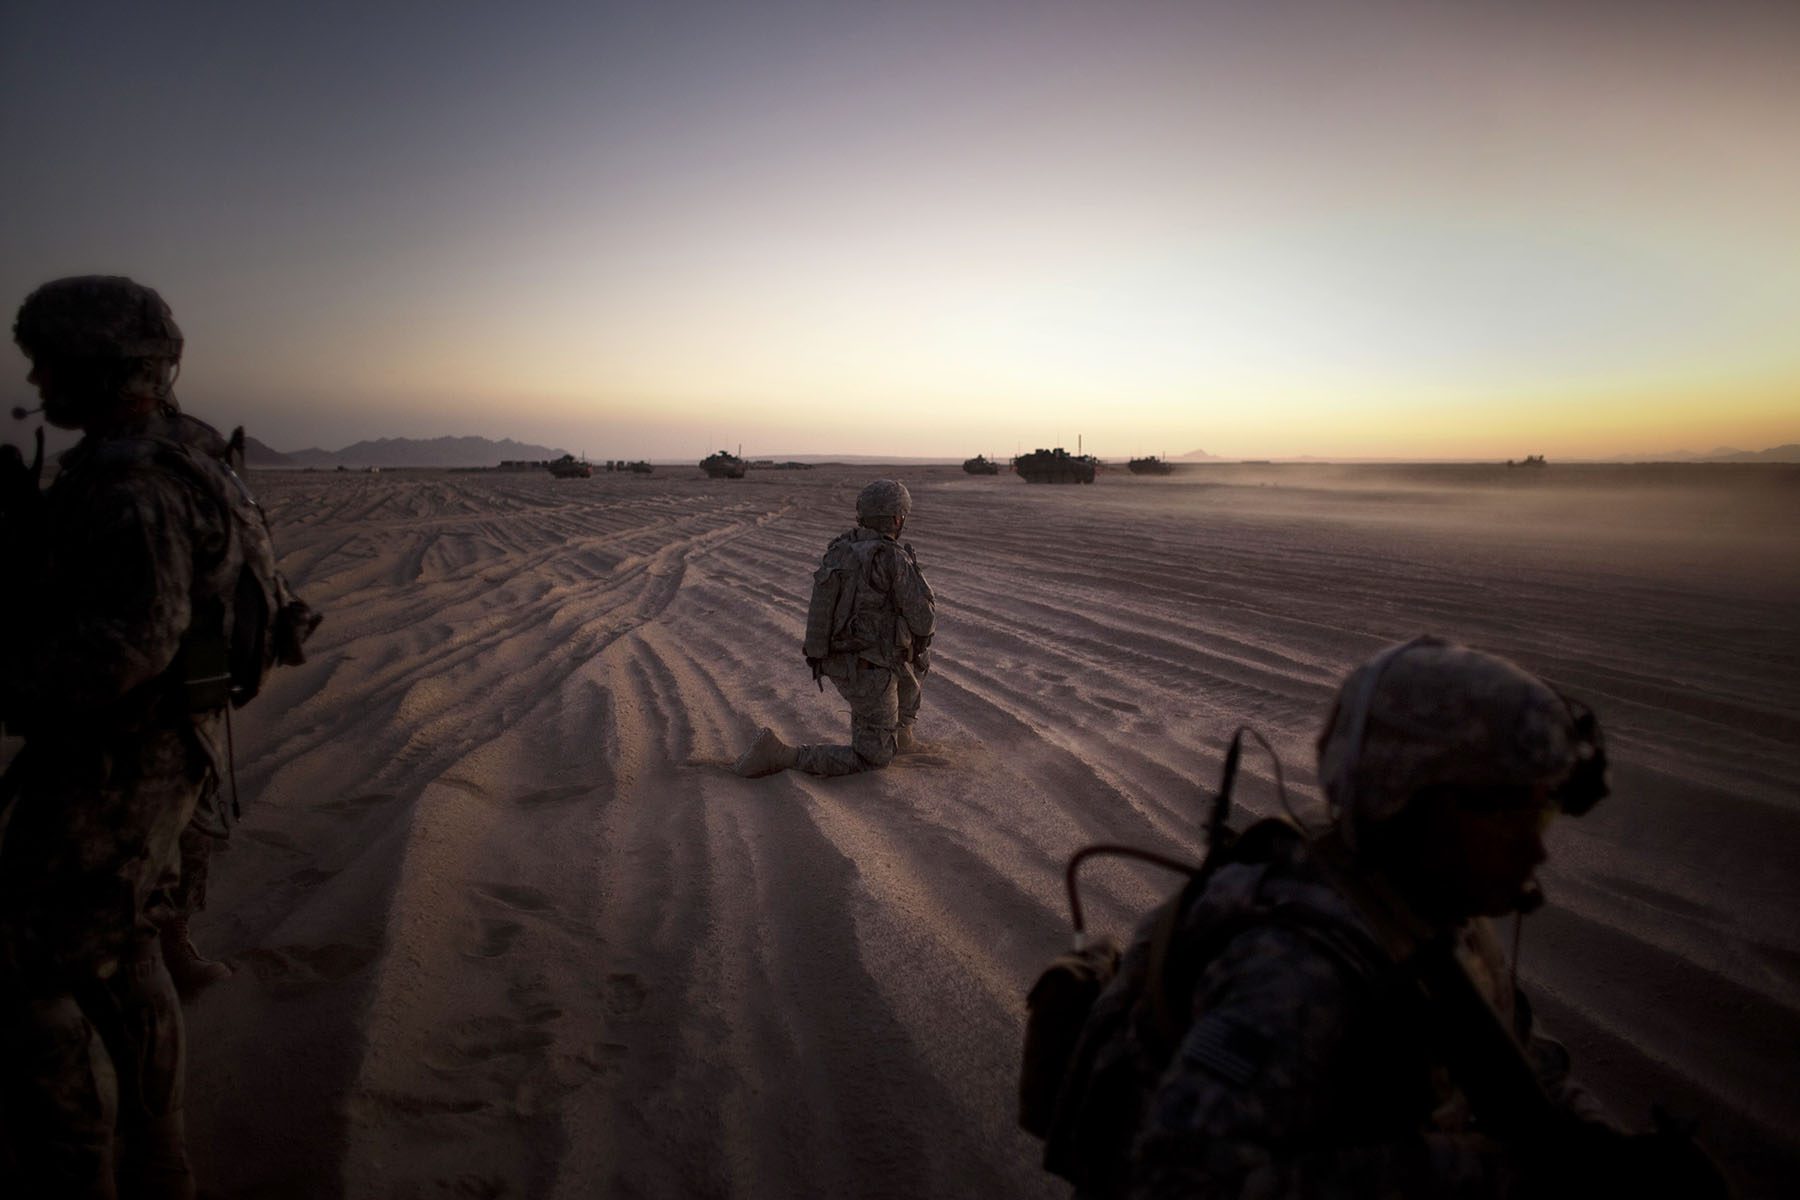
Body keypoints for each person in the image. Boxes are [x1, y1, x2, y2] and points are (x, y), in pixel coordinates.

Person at [1042, 637, 1726, 1198]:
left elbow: (1518, 1058)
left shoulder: (1430, 911)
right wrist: (1491, 1172)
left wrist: (1596, 1149)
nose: (1538, 845)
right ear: (1418, 806)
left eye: (1543, 809)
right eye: (1508, 811)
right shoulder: (1297, 970)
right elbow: (1181, 1178)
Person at [0, 275, 312, 1196]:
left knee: (26, 971)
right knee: (127, 947)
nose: (39, 380)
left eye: (52, 362)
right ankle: (156, 1159)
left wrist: (14, 673)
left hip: (115, 763)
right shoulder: (191, 456)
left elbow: (133, 641)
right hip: (171, 750)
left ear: (107, 366)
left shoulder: (133, 479)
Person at [734, 478, 935, 777]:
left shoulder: (839, 549)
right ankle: (782, 755)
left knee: (912, 662)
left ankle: (899, 734)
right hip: (869, 670)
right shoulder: (892, 557)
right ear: (897, 518)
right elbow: (924, 621)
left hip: (840, 663)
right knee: (873, 758)